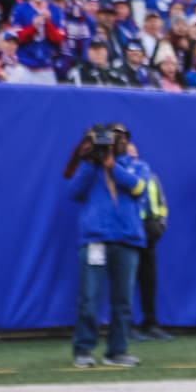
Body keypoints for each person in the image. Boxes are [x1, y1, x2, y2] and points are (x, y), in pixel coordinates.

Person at [66, 124, 146, 368]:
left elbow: (140, 188)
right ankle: (83, 349)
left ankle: (117, 351)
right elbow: (74, 193)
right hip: (96, 239)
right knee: (89, 298)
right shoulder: (90, 167)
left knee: (123, 301)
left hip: (127, 240)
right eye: (111, 139)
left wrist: (114, 167)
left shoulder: (135, 164)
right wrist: (90, 163)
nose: (114, 144)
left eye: (120, 138)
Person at [129, 135, 171, 341]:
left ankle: (150, 322)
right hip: (130, 232)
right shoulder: (123, 176)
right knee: (126, 282)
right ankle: (127, 326)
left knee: (149, 281)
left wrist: (161, 223)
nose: (133, 158)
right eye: (129, 155)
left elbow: (161, 202)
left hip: (150, 232)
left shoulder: (150, 176)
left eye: (135, 155)